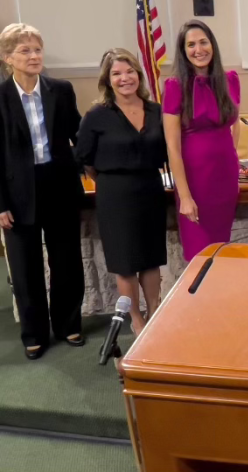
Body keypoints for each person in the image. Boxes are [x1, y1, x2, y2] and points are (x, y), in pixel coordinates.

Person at [0, 23, 85, 359]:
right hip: (17, 190)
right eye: (25, 50)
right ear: (8, 58)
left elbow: (79, 134)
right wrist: (0, 203)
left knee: (67, 261)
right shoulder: (0, 98)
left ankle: (68, 324)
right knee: (25, 267)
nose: (34, 56)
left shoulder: (60, 90)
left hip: (59, 185)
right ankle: (34, 333)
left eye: (37, 49)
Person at [77, 49, 166, 335]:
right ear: (107, 80)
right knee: (126, 263)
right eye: (116, 73)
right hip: (115, 194)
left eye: (129, 72)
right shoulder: (97, 115)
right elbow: (85, 159)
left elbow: (167, 151)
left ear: (138, 75)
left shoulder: (156, 111)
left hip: (151, 189)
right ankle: (136, 321)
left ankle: (154, 313)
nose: (124, 78)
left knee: (152, 258)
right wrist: (110, 179)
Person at [163, 20, 241, 262]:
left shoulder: (230, 79)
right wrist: (184, 196)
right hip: (195, 182)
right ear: (184, 51)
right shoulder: (175, 86)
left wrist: (233, 158)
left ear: (212, 45)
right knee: (199, 256)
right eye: (191, 45)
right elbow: (172, 147)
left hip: (224, 177)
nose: (199, 50)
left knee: (222, 252)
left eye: (203, 42)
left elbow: (234, 123)